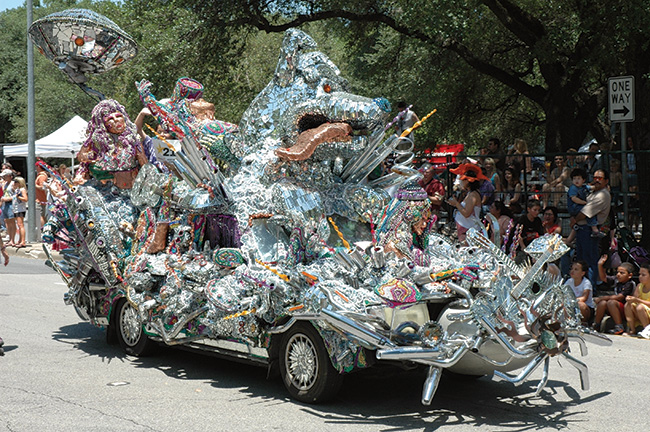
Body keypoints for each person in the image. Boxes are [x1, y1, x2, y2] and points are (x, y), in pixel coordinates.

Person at [74, 99, 165, 189]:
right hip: (107, 189)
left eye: (118, 116)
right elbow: (81, 157)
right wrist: (96, 156)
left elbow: (144, 164)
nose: (116, 120)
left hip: (131, 188)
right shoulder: (97, 142)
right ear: (103, 124)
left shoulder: (133, 140)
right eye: (110, 119)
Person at [572, 169, 612, 288]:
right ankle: (580, 287)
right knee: (581, 260)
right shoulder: (593, 192)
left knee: (589, 261)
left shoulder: (602, 195)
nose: (597, 180)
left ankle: (590, 288)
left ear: (606, 181)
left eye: (600, 178)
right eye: (595, 178)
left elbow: (585, 213)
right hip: (582, 229)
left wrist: (574, 220)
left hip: (589, 230)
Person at [593, 256, 635, 335]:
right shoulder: (616, 280)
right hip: (614, 308)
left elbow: (620, 297)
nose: (618, 274)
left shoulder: (630, 284)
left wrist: (603, 297)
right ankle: (597, 325)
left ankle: (619, 326)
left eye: (622, 273)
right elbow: (604, 278)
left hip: (626, 310)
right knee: (602, 303)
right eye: (617, 272)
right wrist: (600, 265)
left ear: (629, 275)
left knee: (611, 302)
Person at [447, 163, 486, 243]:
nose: (460, 181)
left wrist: (456, 203)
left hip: (469, 231)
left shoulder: (473, 195)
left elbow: (466, 213)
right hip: (465, 230)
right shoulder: (469, 193)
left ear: (468, 181)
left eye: (462, 179)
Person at [564, 168, 601, 245]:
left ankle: (570, 240)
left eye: (578, 178)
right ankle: (594, 229)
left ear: (583, 180)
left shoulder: (583, 187)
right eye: (574, 179)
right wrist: (585, 203)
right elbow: (574, 199)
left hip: (579, 206)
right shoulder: (573, 188)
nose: (576, 180)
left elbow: (592, 187)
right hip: (574, 207)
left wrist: (598, 186)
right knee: (589, 211)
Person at [623, 263, 650, 338]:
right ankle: (632, 330)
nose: (640, 277)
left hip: (645, 309)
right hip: (642, 311)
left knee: (640, 307)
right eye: (639, 274)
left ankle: (647, 330)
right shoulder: (639, 286)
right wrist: (631, 299)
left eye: (643, 275)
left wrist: (638, 300)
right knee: (628, 305)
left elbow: (639, 301)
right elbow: (635, 299)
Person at [564, 260, 595, 325]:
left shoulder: (586, 283)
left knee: (581, 305)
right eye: (572, 269)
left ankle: (583, 323)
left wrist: (572, 301)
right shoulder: (569, 281)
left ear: (582, 273)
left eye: (576, 269)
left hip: (586, 308)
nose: (572, 271)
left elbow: (584, 298)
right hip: (572, 305)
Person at [0, 170, 16, 247]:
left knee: (12, 222)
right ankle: (9, 239)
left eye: (5, 176)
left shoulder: (13, 184)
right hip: (5, 204)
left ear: (9, 176)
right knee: (7, 221)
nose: (3, 178)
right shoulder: (5, 184)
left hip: (11, 203)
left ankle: (13, 239)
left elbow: (16, 195)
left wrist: (9, 198)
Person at [11, 177, 28, 248]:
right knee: (19, 224)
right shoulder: (17, 190)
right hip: (16, 208)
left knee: (21, 225)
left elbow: (25, 199)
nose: (14, 183)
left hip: (20, 209)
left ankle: (23, 241)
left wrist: (18, 197)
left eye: (16, 182)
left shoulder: (22, 190)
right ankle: (20, 240)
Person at [35, 162, 49, 230]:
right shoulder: (40, 175)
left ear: (39, 167)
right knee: (41, 215)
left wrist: (34, 185)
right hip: (40, 199)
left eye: (36, 166)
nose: (36, 168)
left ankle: (42, 230)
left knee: (41, 216)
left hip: (41, 200)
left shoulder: (42, 176)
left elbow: (42, 187)